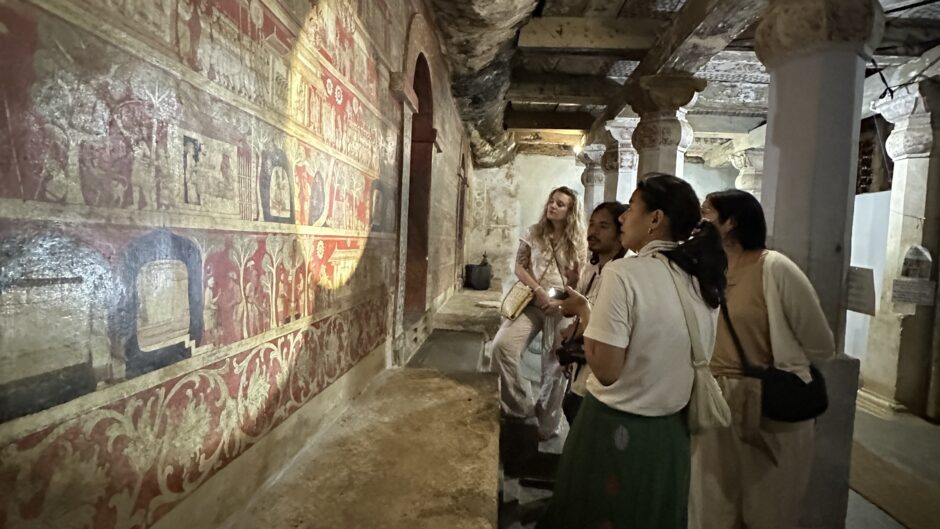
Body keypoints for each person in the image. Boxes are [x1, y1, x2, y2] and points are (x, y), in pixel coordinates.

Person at [538, 174, 727, 529]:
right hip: (670, 436)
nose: (624, 217)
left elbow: (607, 370)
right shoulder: (701, 277)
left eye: (632, 208)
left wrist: (584, 312)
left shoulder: (624, 273)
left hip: (616, 428)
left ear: (655, 219)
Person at [690, 190, 835, 529]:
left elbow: (821, 345)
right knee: (710, 509)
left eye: (708, 213)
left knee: (769, 509)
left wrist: (783, 366)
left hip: (767, 402)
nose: (700, 221)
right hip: (714, 401)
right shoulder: (709, 271)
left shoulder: (775, 268)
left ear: (732, 222)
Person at [492, 186, 586, 423]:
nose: (552, 206)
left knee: (554, 366)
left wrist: (560, 302)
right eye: (551, 201)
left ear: (571, 211)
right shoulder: (534, 233)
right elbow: (519, 266)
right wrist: (540, 292)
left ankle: (546, 423)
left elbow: (579, 278)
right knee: (502, 346)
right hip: (533, 302)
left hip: (562, 306)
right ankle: (521, 409)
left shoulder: (578, 241)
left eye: (560, 204)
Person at [544, 201, 627, 429]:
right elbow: (575, 306)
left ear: (621, 235)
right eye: (591, 224)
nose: (593, 232)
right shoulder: (593, 269)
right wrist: (572, 284)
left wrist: (578, 320)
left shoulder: (621, 275)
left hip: (599, 376)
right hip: (582, 365)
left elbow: (603, 321)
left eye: (603, 226)